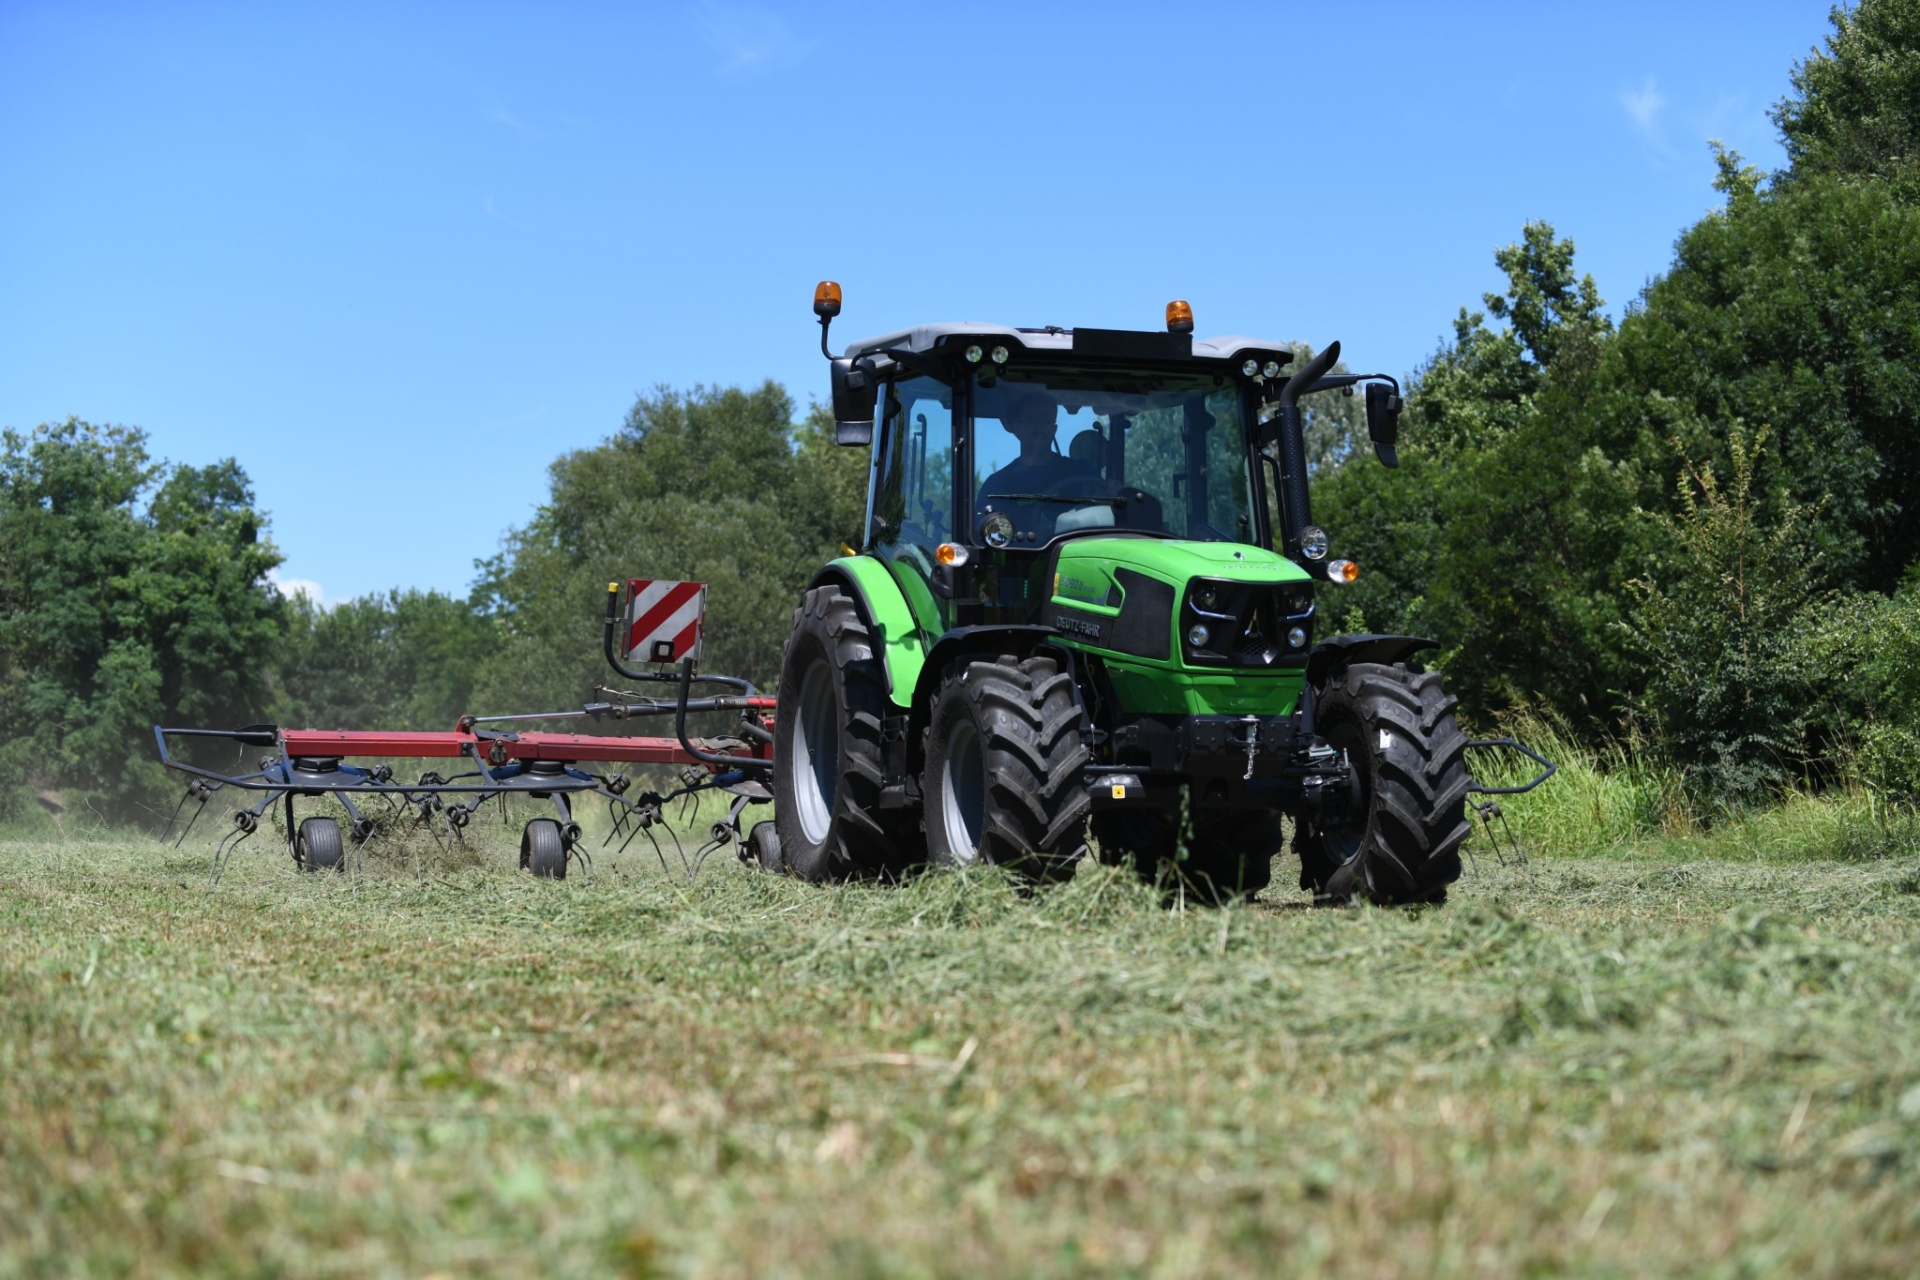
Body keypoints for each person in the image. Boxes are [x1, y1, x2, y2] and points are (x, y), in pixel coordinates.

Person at [976, 391, 1100, 535]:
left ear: (1054, 429)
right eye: (1032, 420)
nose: (1039, 427)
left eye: (1046, 420)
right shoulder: (996, 486)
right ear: (1017, 427)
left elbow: (1107, 511)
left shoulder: (1081, 473)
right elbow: (986, 536)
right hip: (1018, 557)